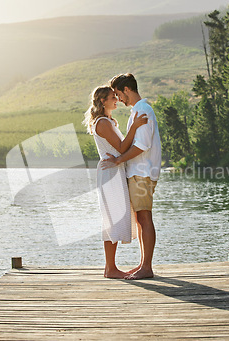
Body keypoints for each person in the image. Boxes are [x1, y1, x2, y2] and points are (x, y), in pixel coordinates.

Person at [83, 85, 148, 279]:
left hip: (115, 172)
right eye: (113, 97)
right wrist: (135, 126)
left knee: (115, 217)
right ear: (102, 101)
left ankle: (111, 268)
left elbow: (120, 149)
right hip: (110, 174)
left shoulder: (109, 121)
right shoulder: (102, 122)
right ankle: (110, 269)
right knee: (111, 219)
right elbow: (121, 147)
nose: (117, 100)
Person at [102, 73, 162, 280]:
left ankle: (147, 267)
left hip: (142, 172)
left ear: (127, 90)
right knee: (140, 219)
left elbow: (141, 145)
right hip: (138, 172)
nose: (118, 99)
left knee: (145, 218)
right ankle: (143, 264)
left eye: (119, 94)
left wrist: (118, 160)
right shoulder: (138, 111)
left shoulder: (143, 110)